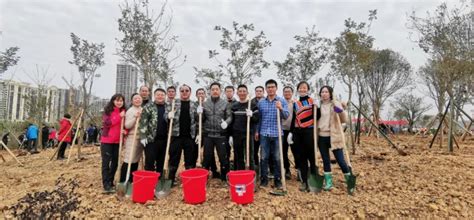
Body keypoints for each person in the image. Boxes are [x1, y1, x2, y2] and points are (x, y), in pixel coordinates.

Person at [317, 85, 352, 192]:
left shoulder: (335, 105)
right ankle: (328, 183)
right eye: (322, 92)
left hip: (334, 136)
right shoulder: (317, 106)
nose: (324, 94)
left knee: (340, 160)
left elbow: (344, 119)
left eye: (326, 92)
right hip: (321, 137)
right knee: (325, 160)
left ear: (330, 94)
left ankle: (350, 181)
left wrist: (341, 110)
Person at [256, 79, 289, 188]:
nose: (270, 89)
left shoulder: (281, 101)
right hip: (264, 134)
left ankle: (278, 180)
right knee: (264, 157)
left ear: (276, 88)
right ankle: (264, 180)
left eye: (272, 87)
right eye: (268, 87)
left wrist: (280, 109)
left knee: (277, 158)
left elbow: (286, 116)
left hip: (277, 135)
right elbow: (259, 119)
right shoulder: (261, 102)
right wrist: (257, 131)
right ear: (266, 89)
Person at [165, 84, 198, 186]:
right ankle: (171, 179)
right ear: (180, 92)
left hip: (189, 136)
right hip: (176, 135)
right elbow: (165, 116)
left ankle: (189, 179)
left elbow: (199, 121)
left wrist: (198, 134)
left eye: (186, 91)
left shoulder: (194, 105)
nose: (184, 92)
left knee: (190, 159)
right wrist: (168, 116)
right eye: (182, 91)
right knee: (174, 158)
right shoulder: (174, 103)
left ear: (190, 92)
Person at [288, 81, 317, 191]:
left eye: (304, 88)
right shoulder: (296, 103)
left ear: (308, 89)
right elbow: (294, 119)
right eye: (300, 88)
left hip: (309, 132)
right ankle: (305, 181)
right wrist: (291, 132)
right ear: (298, 89)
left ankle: (314, 179)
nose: (302, 90)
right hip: (298, 132)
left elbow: (317, 116)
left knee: (312, 157)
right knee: (302, 158)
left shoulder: (312, 102)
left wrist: (317, 108)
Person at [202, 82, 232, 185]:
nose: (215, 91)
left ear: (220, 91)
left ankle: (225, 177)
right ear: (210, 91)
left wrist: (226, 123)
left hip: (221, 135)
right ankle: (204, 178)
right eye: (213, 89)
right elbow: (200, 120)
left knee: (223, 157)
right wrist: (198, 113)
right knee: (207, 157)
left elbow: (230, 116)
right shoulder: (205, 104)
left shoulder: (225, 103)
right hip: (208, 135)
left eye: (217, 89)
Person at [100, 94, 126, 193]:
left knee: (115, 162)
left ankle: (110, 181)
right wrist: (119, 117)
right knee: (106, 163)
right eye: (117, 100)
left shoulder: (124, 112)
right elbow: (107, 123)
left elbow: (126, 126)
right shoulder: (108, 111)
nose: (119, 103)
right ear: (113, 101)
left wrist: (125, 131)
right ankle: (106, 184)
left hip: (118, 141)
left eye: (121, 101)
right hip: (107, 141)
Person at [230, 85, 259, 170]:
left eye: (244, 91)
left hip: (248, 133)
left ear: (247, 93)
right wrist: (231, 135)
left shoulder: (253, 105)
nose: (242, 93)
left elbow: (256, 119)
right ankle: (241, 174)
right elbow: (232, 121)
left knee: (250, 156)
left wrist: (252, 115)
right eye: (240, 91)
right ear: (237, 93)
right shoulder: (234, 106)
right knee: (238, 155)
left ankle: (251, 175)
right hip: (236, 134)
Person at [140, 88, 168, 175]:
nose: (160, 96)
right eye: (158, 95)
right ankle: (149, 178)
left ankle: (159, 178)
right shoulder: (148, 107)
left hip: (164, 139)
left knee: (161, 161)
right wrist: (143, 136)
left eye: (162, 95)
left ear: (165, 96)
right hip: (151, 139)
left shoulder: (169, 107)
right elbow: (143, 122)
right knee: (150, 161)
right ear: (154, 96)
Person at [194, 88, 220, 178]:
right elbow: (195, 120)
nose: (201, 95)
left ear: (205, 95)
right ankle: (196, 170)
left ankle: (213, 170)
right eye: (199, 93)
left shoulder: (207, 104)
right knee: (195, 152)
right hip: (197, 133)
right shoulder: (194, 105)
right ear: (196, 95)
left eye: (202, 93)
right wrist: (197, 133)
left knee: (209, 153)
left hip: (207, 132)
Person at [119, 93, 143, 183]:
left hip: (140, 138)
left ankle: (131, 180)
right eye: (135, 98)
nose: (137, 100)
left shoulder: (142, 109)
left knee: (136, 160)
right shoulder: (130, 111)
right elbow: (127, 125)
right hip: (132, 138)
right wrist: (135, 117)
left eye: (139, 98)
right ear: (132, 101)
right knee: (129, 159)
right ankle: (123, 180)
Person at [282, 85, 296, 180]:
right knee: (283, 152)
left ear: (292, 93)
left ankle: (299, 169)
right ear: (283, 93)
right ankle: (287, 170)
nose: (287, 93)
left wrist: (292, 131)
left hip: (293, 131)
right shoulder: (281, 103)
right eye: (285, 92)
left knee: (296, 151)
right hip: (282, 130)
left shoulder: (295, 103)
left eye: (289, 91)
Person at [251, 86, 265, 170]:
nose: (259, 92)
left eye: (260, 91)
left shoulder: (267, 101)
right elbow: (254, 120)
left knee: (264, 151)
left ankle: (264, 167)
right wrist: (256, 131)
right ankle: (256, 166)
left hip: (264, 129)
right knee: (254, 150)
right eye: (257, 91)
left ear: (263, 92)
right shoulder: (251, 103)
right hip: (253, 130)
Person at [224, 85, 237, 169]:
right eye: (227, 91)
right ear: (225, 92)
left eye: (230, 91)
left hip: (235, 131)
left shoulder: (237, 103)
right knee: (226, 150)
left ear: (233, 92)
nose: (229, 93)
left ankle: (236, 167)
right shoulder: (222, 103)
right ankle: (227, 167)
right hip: (225, 131)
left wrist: (232, 134)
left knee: (236, 150)